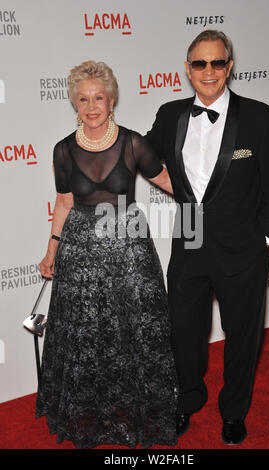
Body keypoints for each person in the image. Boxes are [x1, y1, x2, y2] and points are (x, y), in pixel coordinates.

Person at [145, 30, 269, 445]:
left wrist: (262, 238)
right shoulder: (170, 114)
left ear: (229, 66)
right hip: (188, 240)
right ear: (188, 69)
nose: (209, 71)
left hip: (242, 247)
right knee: (184, 333)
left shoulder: (260, 116)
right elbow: (141, 154)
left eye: (218, 62)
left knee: (242, 335)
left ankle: (234, 411)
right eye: (200, 63)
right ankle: (187, 399)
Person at [36, 60, 178, 449]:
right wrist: (51, 251)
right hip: (80, 253)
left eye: (99, 97)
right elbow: (63, 203)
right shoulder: (63, 149)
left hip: (129, 249)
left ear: (112, 100)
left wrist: (209, 203)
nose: (92, 105)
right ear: (74, 104)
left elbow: (166, 180)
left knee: (135, 332)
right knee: (86, 336)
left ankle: (137, 412)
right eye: (83, 99)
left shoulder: (132, 142)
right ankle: (90, 417)